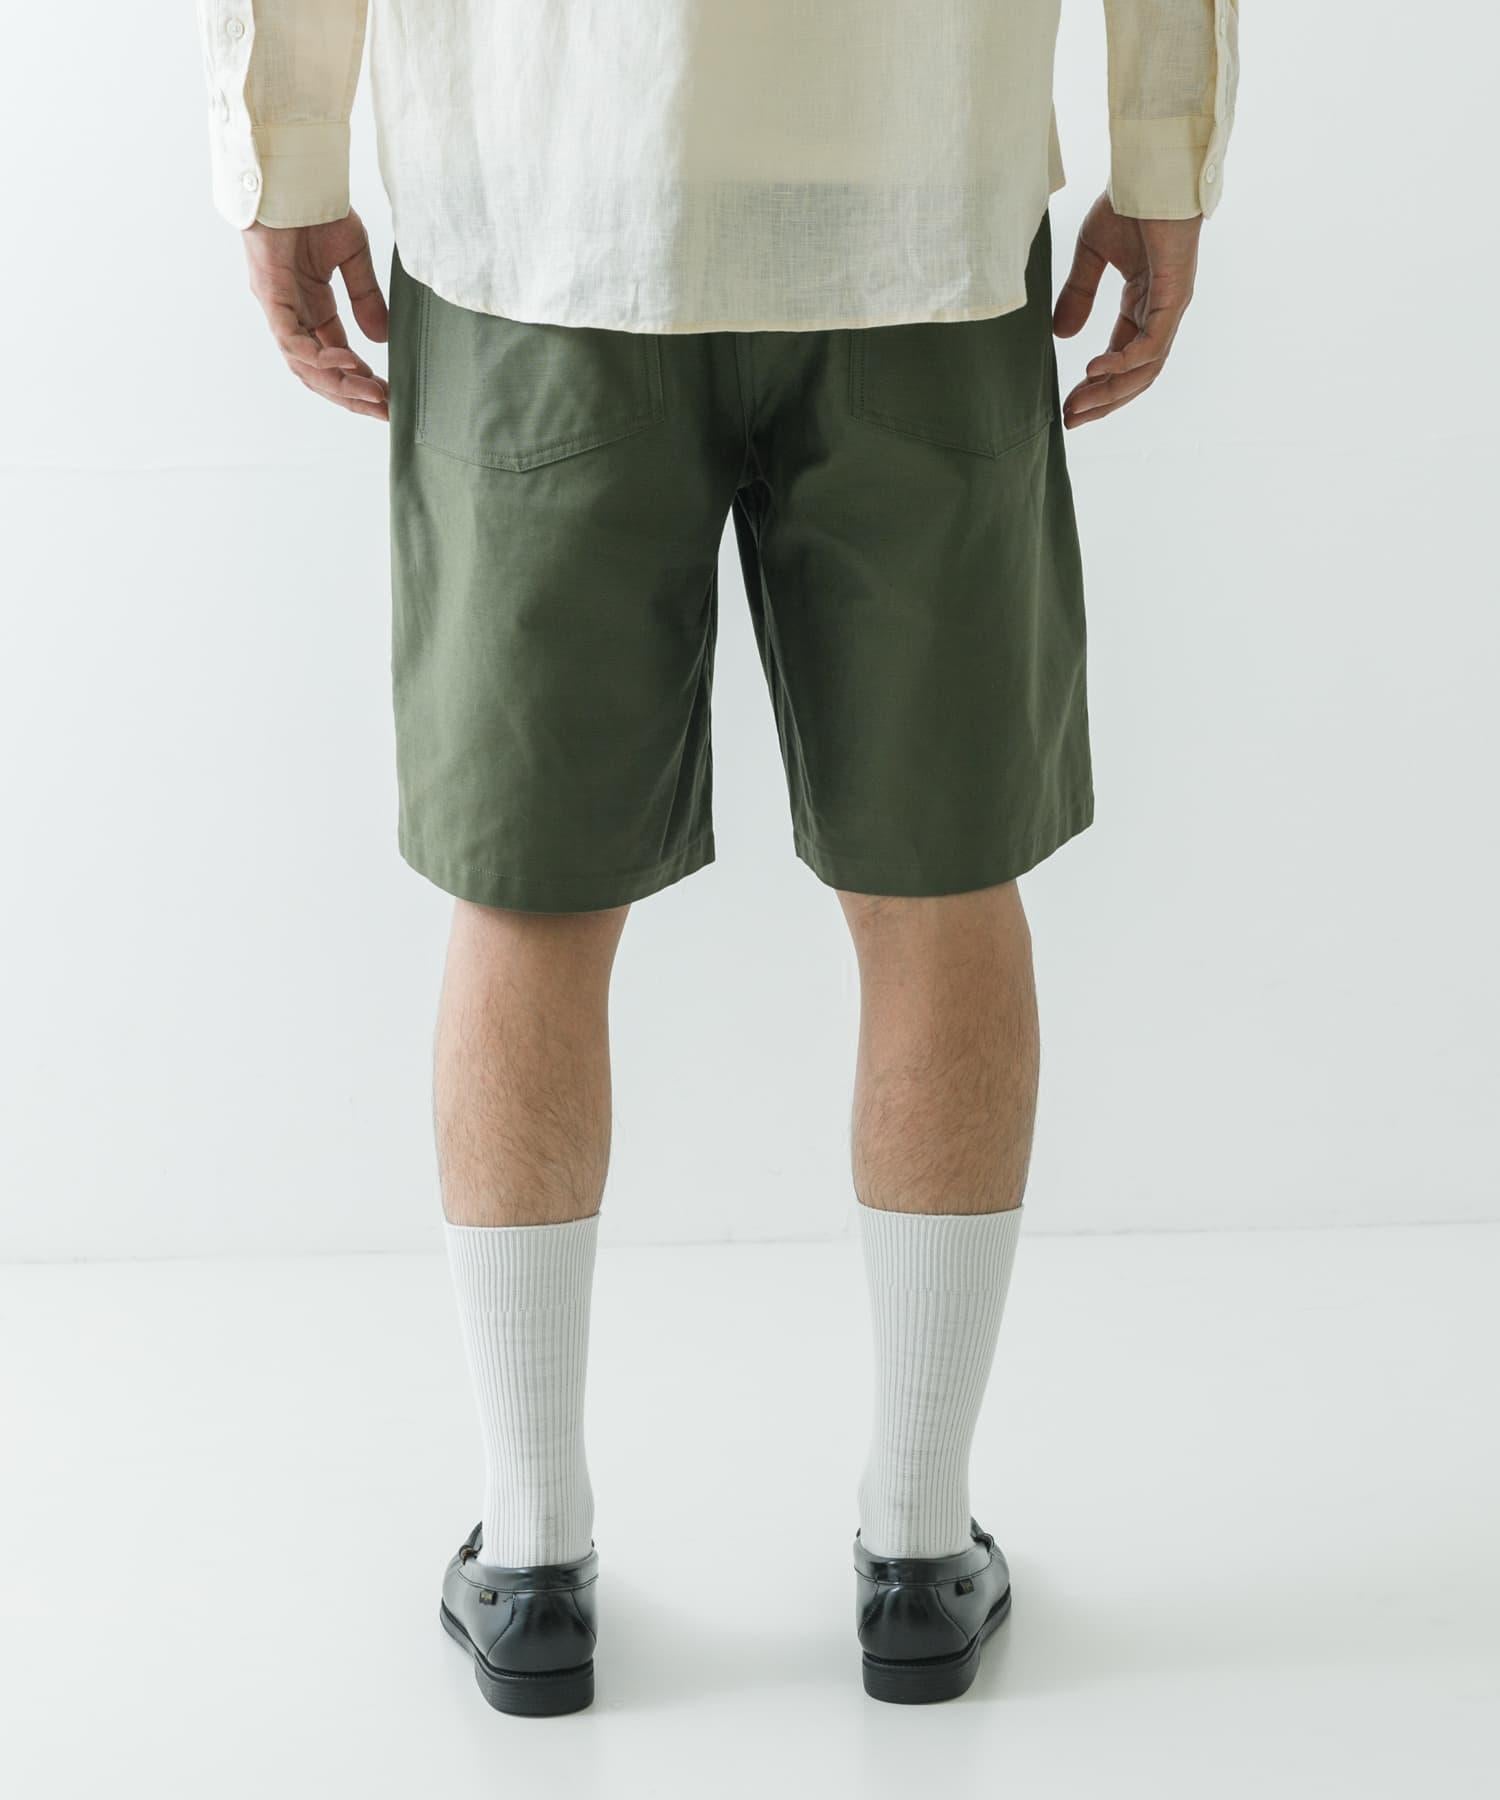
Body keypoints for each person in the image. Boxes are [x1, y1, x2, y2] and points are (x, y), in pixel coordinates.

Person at [197, 0, 1237, 1715]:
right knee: (937, 884)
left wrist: (282, 152)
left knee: (530, 894)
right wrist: (1164, 147)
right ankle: (920, 1552)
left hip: (549, 198)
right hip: (917, 195)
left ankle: (532, 1561)